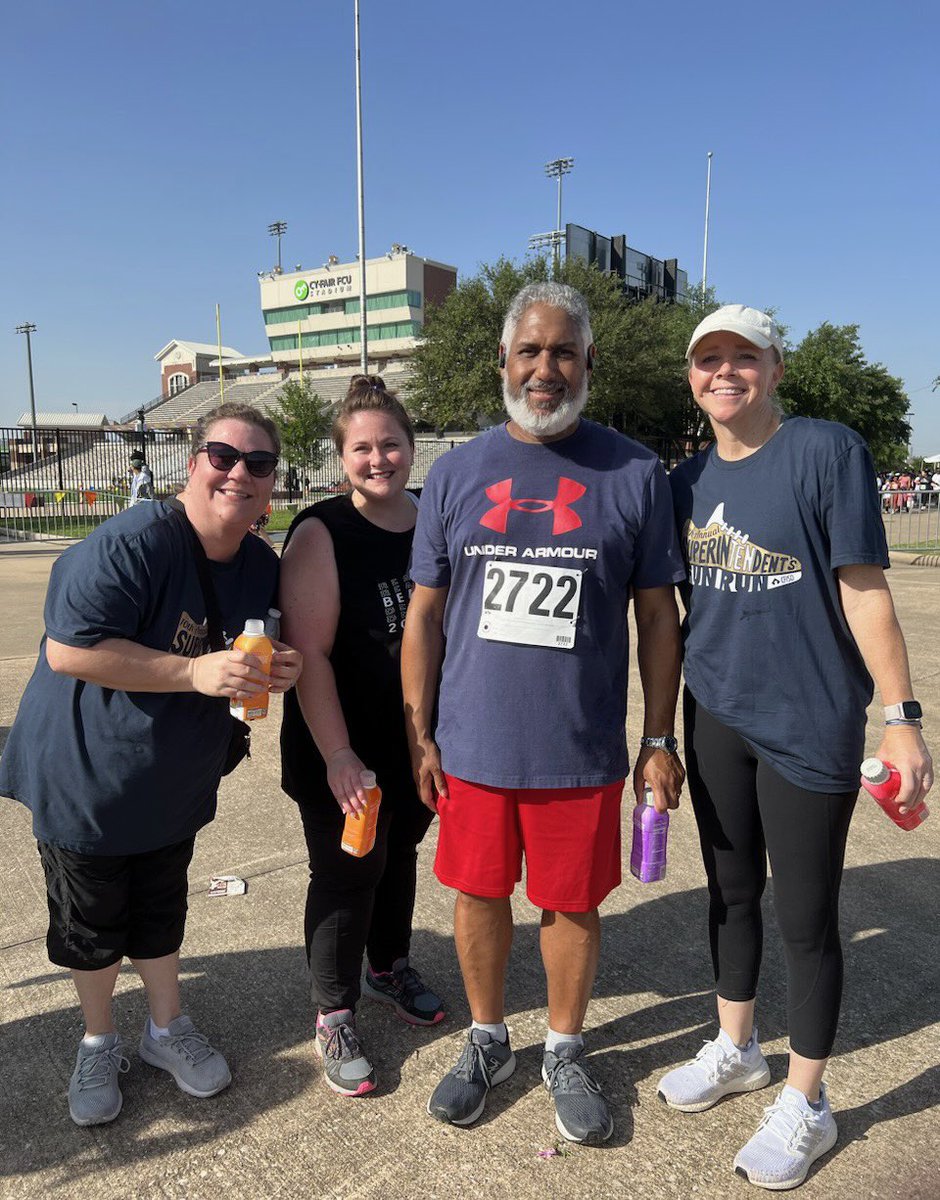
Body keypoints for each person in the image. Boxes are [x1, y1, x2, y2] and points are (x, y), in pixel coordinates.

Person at [401, 282, 686, 1145]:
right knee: (477, 894)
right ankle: (488, 1042)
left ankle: (564, 1047)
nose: (546, 368)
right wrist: (418, 730)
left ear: (589, 361)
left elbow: (657, 617)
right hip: (474, 746)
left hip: (580, 748)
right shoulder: (453, 474)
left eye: (563, 351)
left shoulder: (635, 472)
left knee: (571, 906)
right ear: (503, 361)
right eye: (530, 351)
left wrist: (659, 738)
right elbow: (421, 614)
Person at [661, 305, 933, 1190]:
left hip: (809, 721)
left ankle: (809, 1102)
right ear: (692, 377)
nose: (725, 373)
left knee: (807, 917)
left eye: (744, 357)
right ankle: (737, 1047)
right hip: (718, 716)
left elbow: (865, 593)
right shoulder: (687, 479)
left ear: (775, 369)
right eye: (710, 360)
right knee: (731, 894)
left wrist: (902, 716)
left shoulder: (825, 452)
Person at [0, 403, 302, 1126]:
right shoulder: (135, 542)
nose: (239, 473)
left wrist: (273, 671)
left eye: (258, 464)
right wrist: (197, 675)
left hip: (174, 778)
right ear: (193, 464)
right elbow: (68, 649)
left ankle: (166, 1028)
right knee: (93, 923)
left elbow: (243, 649)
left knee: (161, 907)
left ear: (272, 486)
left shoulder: (261, 565)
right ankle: (99, 1038)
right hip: (89, 777)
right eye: (224, 455)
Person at [279, 375, 444, 1099]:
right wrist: (340, 755)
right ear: (341, 456)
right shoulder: (322, 531)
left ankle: (388, 968)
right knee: (347, 871)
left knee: (399, 851)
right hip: (339, 738)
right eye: (361, 448)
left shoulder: (437, 517)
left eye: (390, 445)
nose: (378, 460)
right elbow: (310, 653)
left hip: (415, 736)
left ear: (412, 447)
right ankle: (334, 1010)